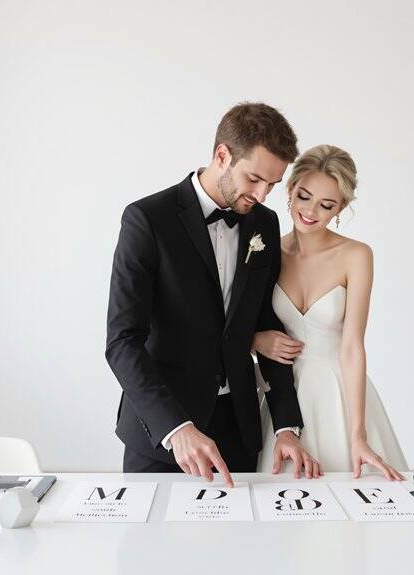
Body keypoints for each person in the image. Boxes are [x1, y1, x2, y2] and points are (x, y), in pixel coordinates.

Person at [106, 102, 322, 486]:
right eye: (254, 178)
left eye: (272, 184)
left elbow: (266, 322)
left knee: (242, 547)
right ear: (222, 155)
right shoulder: (147, 220)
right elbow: (123, 342)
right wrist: (176, 428)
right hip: (163, 436)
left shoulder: (264, 224)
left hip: (237, 431)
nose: (262, 194)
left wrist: (286, 425)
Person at [252, 144, 408, 480]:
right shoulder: (266, 251)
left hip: (340, 393)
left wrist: (358, 435)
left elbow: (352, 346)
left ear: (341, 208)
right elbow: (241, 323)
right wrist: (255, 340)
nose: (310, 212)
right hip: (282, 395)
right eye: (304, 196)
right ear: (290, 190)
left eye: (327, 205)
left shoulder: (356, 256)